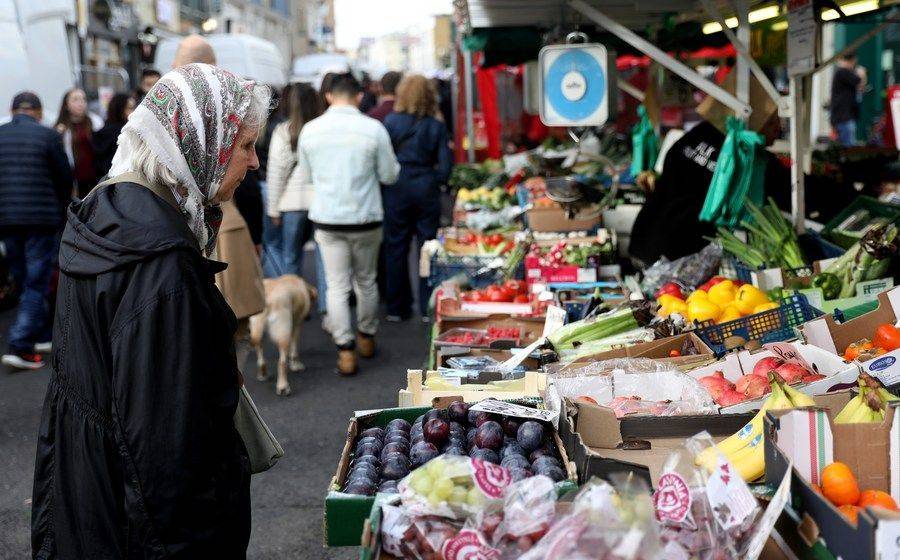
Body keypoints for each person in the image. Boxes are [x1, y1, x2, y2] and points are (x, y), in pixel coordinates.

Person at [30, 63, 270, 558]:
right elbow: (165, 453)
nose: (254, 161)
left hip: (87, 503)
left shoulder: (111, 211)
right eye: (244, 145)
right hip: (136, 528)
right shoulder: (162, 265)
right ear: (203, 144)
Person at [171, 34, 266, 372]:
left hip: (209, 231)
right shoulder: (222, 105)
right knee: (225, 335)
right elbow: (249, 182)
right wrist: (256, 236)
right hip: (224, 230)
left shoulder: (160, 107)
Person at [297, 73, 400, 375]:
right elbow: (389, 175)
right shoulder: (373, 129)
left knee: (337, 285)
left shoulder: (311, 130)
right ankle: (366, 337)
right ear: (358, 96)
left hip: (328, 219)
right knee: (366, 281)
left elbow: (306, 176)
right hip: (366, 217)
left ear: (328, 96)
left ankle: (345, 351)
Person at [629, 71, 786, 267]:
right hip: (676, 258)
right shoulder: (748, 157)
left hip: (645, 237)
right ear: (752, 120)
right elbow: (789, 190)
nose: (778, 128)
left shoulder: (697, 134)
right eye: (771, 121)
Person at [0, 92, 72, 370]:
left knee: (22, 279)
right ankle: (19, 345)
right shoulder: (48, 136)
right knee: (36, 281)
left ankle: (40, 335)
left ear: (12, 110)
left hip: (6, 219)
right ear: (39, 112)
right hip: (40, 219)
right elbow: (65, 178)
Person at [382, 75, 452, 321]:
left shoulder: (390, 122)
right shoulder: (436, 125)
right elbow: (445, 167)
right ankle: (427, 306)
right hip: (425, 188)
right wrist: (436, 180)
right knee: (427, 248)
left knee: (396, 247)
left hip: (396, 187)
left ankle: (396, 308)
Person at [266, 83, 323, 276]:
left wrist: (274, 209)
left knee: (291, 256)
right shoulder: (322, 129)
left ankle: (293, 302)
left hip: (292, 202)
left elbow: (277, 173)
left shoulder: (283, 131)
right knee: (324, 260)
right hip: (321, 200)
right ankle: (326, 304)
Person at [55, 88, 102, 197]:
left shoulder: (95, 122)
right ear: (66, 105)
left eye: (83, 100)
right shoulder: (61, 128)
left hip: (95, 178)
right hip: (74, 181)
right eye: (75, 100)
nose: (81, 103)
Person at [92, 92, 135, 179]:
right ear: (119, 109)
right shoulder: (114, 133)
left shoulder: (127, 129)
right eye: (130, 108)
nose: (133, 112)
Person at [830, 52, 867, 146]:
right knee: (848, 147)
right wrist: (862, 74)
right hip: (844, 117)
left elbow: (860, 88)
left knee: (844, 147)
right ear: (853, 60)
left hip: (842, 117)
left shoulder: (841, 72)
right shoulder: (843, 72)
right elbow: (860, 82)